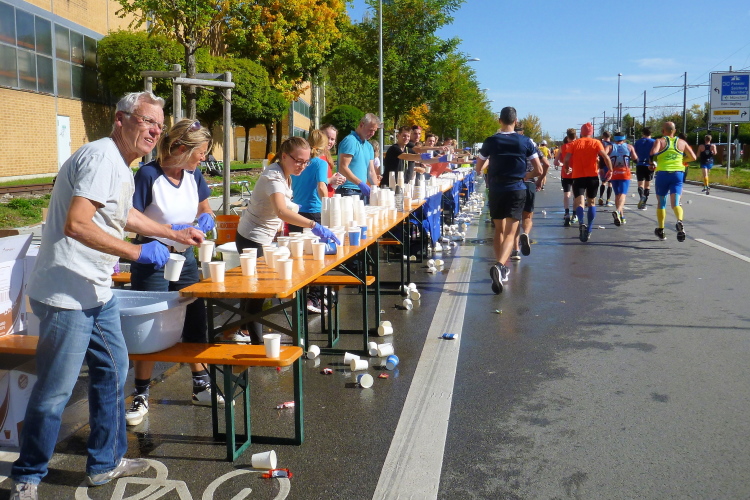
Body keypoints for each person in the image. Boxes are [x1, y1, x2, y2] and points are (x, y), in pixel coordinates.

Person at [10, 91, 204, 499]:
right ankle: (27, 476)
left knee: (113, 371)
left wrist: (171, 233)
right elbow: (77, 224)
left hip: (96, 290)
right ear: (120, 119)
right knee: (56, 390)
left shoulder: (119, 162)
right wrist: (136, 253)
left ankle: (105, 462)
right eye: (146, 121)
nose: (154, 131)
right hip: (67, 293)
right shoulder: (101, 158)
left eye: (159, 125)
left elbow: (122, 213)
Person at [126, 119, 222, 428]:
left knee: (194, 320)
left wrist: (207, 218)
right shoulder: (148, 175)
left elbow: (206, 208)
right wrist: (165, 231)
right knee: (149, 328)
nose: (204, 158)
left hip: (185, 258)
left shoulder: (194, 175)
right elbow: (130, 217)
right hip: (153, 258)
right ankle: (141, 393)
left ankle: (200, 384)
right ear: (181, 148)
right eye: (200, 152)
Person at [235, 137, 340, 343]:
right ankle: (257, 345)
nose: (302, 166)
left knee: (253, 288)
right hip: (251, 238)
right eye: (298, 161)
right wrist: (314, 225)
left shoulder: (286, 174)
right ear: (284, 156)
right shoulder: (273, 176)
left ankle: (244, 330)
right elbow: (281, 211)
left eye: (306, 162)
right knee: (259, 290)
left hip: (262, 237)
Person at [475, 106, 542, 294]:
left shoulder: (490, 141)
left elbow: (479, 167)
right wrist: (526, 176)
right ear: (516, 121)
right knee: (511, 232)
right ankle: (499, 265)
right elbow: (538, 169)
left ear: (499, 121)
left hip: (496, 189)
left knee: (499, 230)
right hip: (516, 188)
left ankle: (502, 268)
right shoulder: (525, 141)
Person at [290, 130, 331, 314]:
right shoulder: (320, 163)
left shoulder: (300, 163)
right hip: (314, 213)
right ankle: (314, 298)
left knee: (298, 255)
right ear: (324, 145)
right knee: (317, 257)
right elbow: (322, 186)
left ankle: (299, 295)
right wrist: (330, 205)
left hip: (295, 213)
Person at [564, 123, 612, 242]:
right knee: (591, 202)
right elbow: (605, 157)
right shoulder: (596, 142)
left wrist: (566, 168)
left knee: (580, 202)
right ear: (592, 132)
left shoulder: (575, 143)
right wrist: (610, 170)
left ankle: (581, 222)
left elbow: (566, 158)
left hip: (578, 176)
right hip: (592, 176)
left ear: (581, 132)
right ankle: (589, 228)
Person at [650, 121, 697, 241]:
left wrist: (653, 162)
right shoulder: (682, 142)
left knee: (661, 203)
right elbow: (693, 157)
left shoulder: (659, 141)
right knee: (675, 203)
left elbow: (652, 153)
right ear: (674, 131)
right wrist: (682, 160)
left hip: (663, 174)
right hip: (677, 174)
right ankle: (679, 221)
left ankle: (661, 229)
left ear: (663, 131)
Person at [511, 123, 549, 261]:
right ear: (523, 131)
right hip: (530, 183)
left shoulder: (509, 145)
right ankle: (525, 234)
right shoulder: (531, 145)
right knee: (527, 216)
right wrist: (540, 180)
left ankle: (515, 250)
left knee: (515, 218)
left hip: (514, 184)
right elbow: (546, 164)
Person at [337, 113, 381, 200]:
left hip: (362, 191)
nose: (372, 134)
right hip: (348, 190)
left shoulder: (369, 146)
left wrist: (376, 188)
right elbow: (343, 168)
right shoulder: (350, 141)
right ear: (361, 125)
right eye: (370, 130)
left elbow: (371, 171)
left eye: (374, 131)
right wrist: (360, 183)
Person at [606, 131, 638, 226]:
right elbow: (635, 159)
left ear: (614, 139)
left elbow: (603, 156)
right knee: (623, 195)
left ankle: (621, 216)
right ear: (624, 139)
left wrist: (605, 167)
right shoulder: (629, 147)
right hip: (625, 173)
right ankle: (618, 211)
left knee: (617, 195)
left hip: (614, 173)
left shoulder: (610, 147)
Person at [556, 129, 577, 226]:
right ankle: (575, 214)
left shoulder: (562, 147)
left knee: (566, 194)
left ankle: (567, 213)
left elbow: (556, 162)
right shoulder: (578, 146)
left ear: (567, 137)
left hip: (565, 173)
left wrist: (563, 165)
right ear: (575, 136)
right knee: (576, 195)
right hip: (577, 173)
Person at [320, 123, 346, 197]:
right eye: (327, 137)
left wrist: (336, 179)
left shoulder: (327, 156)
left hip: (330, 196)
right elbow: (309, 181)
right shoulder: (314, 156)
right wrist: (330, 180)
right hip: (320, 199)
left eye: (332, 139)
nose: (329, 141)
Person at [634, 127, 656, 209]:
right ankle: (644, 203)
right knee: (647, 185)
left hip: (640, 164)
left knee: (640, 184)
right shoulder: (653, 142)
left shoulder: (638, 142)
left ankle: (641, 197)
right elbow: (655, 153)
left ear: (643, 133)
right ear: (651, 133)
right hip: (649, 165)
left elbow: (634, 153)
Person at [598, 131, 614, 206]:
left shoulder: (601, 144)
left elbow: (600, 156)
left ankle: (601, 197)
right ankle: (608, 200)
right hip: (611, 165)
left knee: (603, 182)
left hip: (603, 165)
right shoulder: (612, 145)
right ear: (610, 136)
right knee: (610, 183)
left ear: (603, 136)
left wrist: (600, 167)